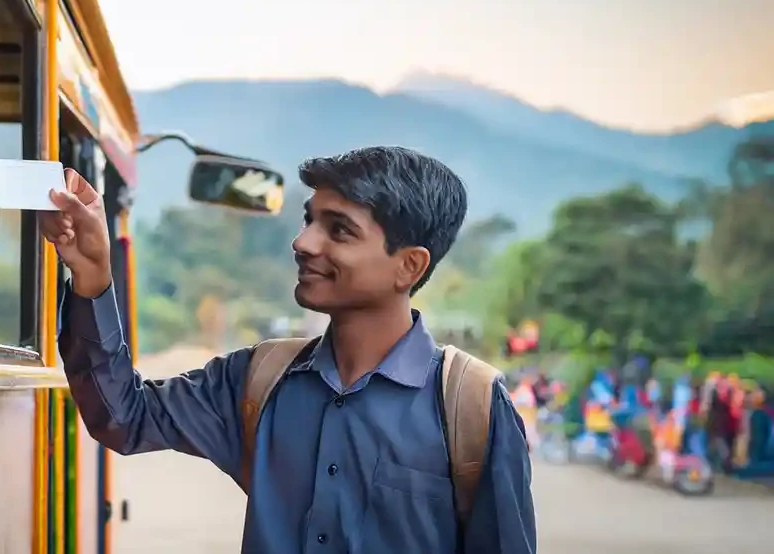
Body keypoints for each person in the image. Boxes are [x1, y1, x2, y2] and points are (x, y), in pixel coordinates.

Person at [41, 146, 536, 553]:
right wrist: (92, 276)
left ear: (409, 266)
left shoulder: (472, 409)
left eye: (338, 229)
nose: (303, 242)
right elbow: (125, 417)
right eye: (309, 221)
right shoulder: (257, 378)